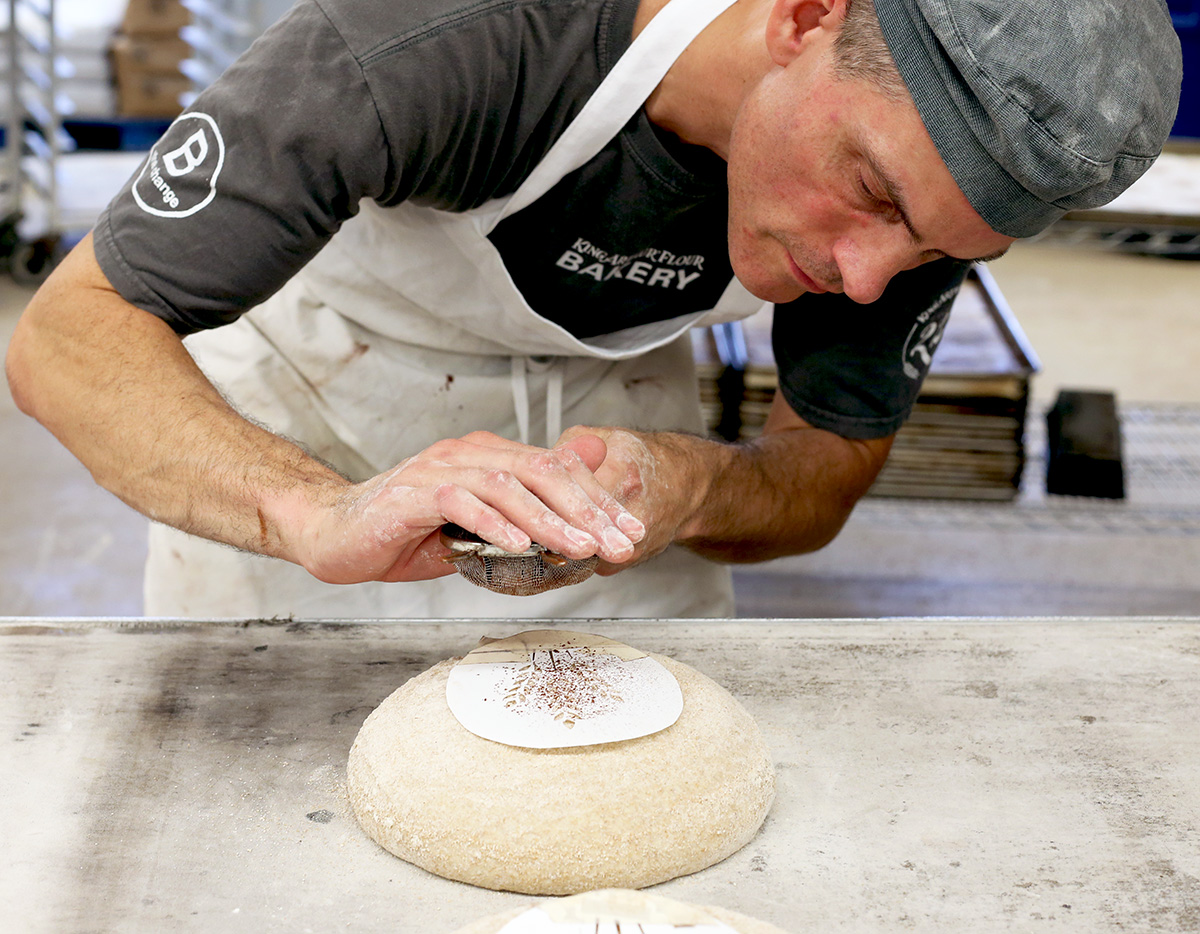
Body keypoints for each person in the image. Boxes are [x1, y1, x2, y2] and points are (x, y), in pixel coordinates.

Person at [5, 0, 1181, 619]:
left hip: (608, 438)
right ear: (807, 14)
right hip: (313, 412)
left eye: (934, 249)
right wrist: (314, 511)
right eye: (870, 191)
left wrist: (695, 484)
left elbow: (827, 469)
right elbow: (71, 331)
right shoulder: (441, 39)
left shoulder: (913, 193)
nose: (868, 278)